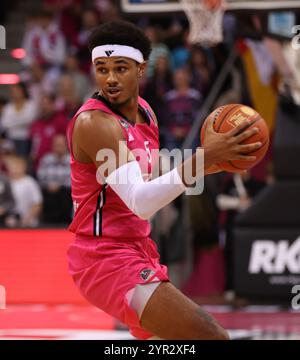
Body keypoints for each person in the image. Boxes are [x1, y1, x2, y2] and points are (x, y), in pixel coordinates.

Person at [66, 20, 262, 340]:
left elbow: (154, 178)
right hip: (103, 258)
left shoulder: (146, 112)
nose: (110, 78)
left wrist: (211, 163)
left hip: (138, 247)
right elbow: (141, 202)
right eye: (102, 69)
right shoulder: (95, 124)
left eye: (121, 67)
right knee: (211, 336)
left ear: (142, 68)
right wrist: (202, 159)